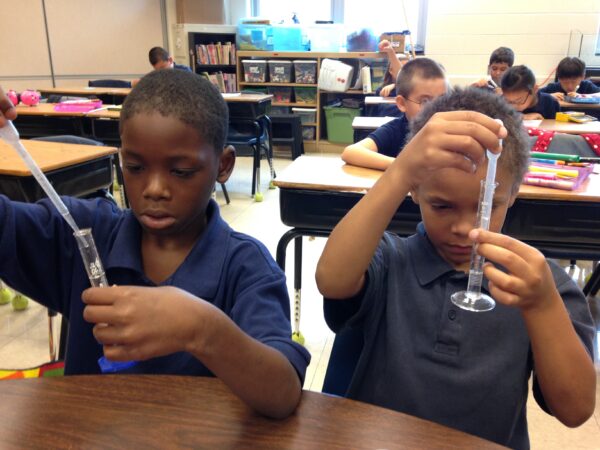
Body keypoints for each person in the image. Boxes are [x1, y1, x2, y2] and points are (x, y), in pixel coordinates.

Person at [0, 71, 310, 419]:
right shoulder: (84, 234)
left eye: (180, 171)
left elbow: (282, 393)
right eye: (135, 167)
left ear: (222, 166)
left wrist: (201, 328)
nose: (154, 189)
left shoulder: (245, 267)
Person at [316, 87, 596, 448]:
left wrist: (542, 306)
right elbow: (332, 279)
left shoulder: (539, 285)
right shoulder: (389, 258)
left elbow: (574, 410)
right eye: (443, 206)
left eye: (488, 206)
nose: (465, 228)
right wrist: (401, 170)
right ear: (415, 190)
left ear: (512, 195)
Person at [342, 58, 447, 171]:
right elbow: (350, 152)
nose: (436, 108)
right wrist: (405, 165)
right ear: (402, 104)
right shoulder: (395, 130)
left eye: (442, 100)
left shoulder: (449, 128)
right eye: (425, 101)